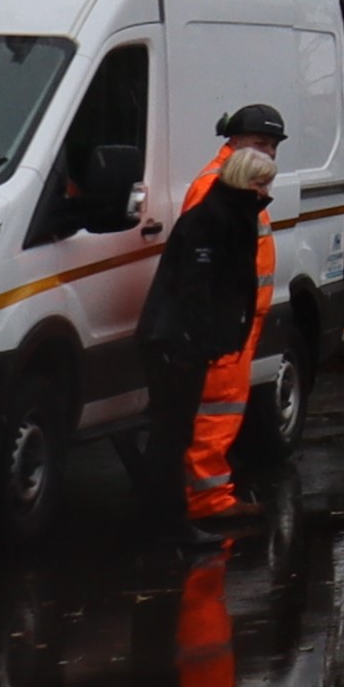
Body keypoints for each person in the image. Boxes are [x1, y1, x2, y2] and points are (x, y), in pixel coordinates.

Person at [143, 103, 285, 525]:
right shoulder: (220, 186)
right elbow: (201, 271)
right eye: (260, 143)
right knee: (213, 414)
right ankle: (205, 502)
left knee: (218, 414)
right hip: (219, 330)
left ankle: (206, 498)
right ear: (235, 142)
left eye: (273, 145)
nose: (269, 152)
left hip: (233, 326)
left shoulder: (239, 181)